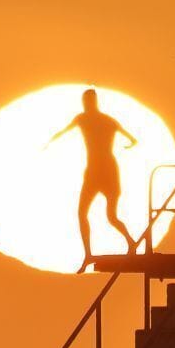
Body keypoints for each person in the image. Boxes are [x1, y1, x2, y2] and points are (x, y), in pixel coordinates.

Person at [47, 88, 139, 272]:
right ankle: (89, 254)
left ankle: (131, 242)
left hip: (106, 172)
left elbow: (132, 139)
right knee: (82, 213)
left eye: (88, 101)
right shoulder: (90, 119)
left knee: (111, 217)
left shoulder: (97, 120)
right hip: (94, 173)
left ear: (94, 102)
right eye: (84, 101)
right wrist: (49, 141)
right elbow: (132, 140)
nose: (86, 104)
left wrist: (48, 142)